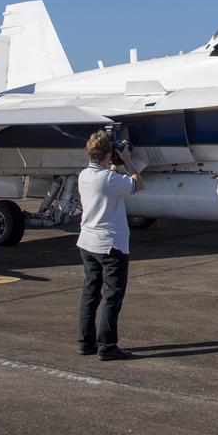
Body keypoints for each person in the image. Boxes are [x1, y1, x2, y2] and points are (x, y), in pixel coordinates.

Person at [76, 129, 145, 361]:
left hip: (87, 243)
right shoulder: (109, 179)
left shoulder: (84, 175)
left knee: (90, 294)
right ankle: (107, 346)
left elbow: (105, 183)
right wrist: (127, 161)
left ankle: (85, 343)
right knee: (112, 298)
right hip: (110, 245)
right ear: (108, 154)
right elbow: (138, 185)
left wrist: (112, 168)